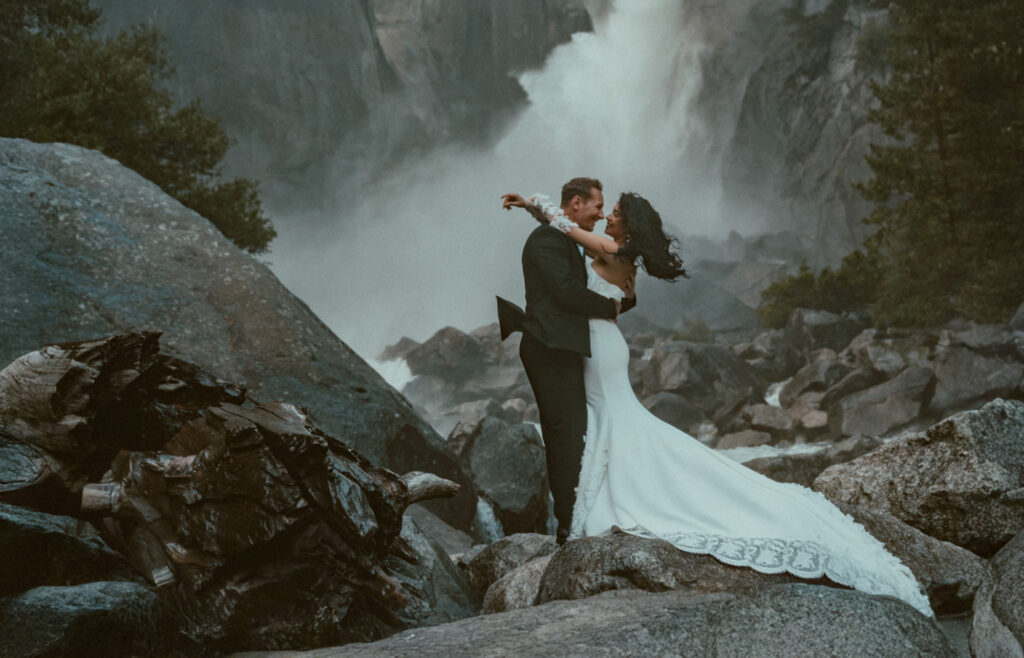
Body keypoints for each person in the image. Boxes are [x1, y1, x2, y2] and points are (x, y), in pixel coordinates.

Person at [499, 190, 933, 617]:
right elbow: (617, 292)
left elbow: (567, 230)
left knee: (613, 416)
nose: (607, 216)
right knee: (615, 418)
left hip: (599, 345)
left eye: (613, 211)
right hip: (603, 343)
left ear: (628, 226)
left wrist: (535, 206)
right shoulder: (626, 260)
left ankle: (611, 501)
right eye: (605, 209)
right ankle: (602, 497)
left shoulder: (613, 248)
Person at [498, 177, 635, 545]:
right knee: (564, 434)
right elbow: (566, 292)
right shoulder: (546, 241)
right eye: (596, 206)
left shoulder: (565, 237)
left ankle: (582, 513)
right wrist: (611, 307)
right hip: (547, 347)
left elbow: (597, 281)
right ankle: (566, 524)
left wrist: (531, 205)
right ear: (576, 203)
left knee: (578, 432)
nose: (602, 213)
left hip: (566, 347)